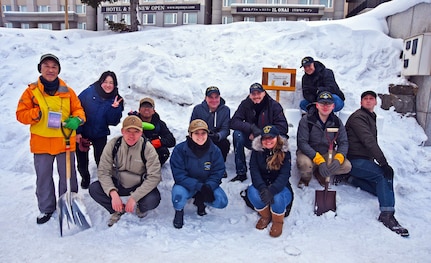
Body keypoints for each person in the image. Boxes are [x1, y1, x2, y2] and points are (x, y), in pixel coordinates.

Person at [16, 53, 86, 224]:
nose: (50, 70)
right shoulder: (31, 92)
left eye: (54, 67)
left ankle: (69, 205)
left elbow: (79, 110)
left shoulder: (68, 91)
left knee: (68, 178)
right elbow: (20, 114)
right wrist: (36, 114)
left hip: (65, 142)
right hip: (42, 143)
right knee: (44, 178)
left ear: (58, 70)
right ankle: (46, 209)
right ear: (40, 68)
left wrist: (77, 119)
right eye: (46, 66)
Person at [344, 91, 409, 237]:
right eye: (365, 99)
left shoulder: (369, 116)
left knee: (380, 190)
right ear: (361, 102)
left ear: (375, 102)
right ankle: (386, 214)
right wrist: (383, 163)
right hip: (354, 160)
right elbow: (369, 141)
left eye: (371, 99)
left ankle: (350, 179)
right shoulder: (359, 117)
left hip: (363, 160)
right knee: (383, 176)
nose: (368, 101)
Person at [88, 115, 161, 227]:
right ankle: (117, 210)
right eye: (128, 131)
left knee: (153, 199)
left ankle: (140, 208)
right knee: (94, 189)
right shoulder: (113, 144)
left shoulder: (147, 148)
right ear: (122, 131)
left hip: (138, 184)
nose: (131, 135)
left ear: (141, 132)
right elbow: (103, 171)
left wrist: (134, 198)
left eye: (136, 131)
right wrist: (112, 192)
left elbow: (154, 177)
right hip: (118, 183)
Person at [170, 119, 228, 229]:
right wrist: (199, 186)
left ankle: (201, 201)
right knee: (178, 196)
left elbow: (218, 171)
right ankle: (179, 211)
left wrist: (208, 187)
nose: (200, 136)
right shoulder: (180, 150)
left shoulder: (215, 150)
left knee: (222, 201)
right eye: (196, 133)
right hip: (186, 184)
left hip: (206, 183)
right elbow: (179, 175)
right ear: (190, 134)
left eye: (203, 133)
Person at [230, 83, 288, 182]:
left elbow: (283, 127)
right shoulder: (245, 104)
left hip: (269, 140)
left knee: (281, 138)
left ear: (264, 93)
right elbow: (233, 122)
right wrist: (251, 128)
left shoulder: (274, 105)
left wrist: (262, 134)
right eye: (253, 94)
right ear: (250, 95)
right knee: (237, 134)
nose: (256, 96)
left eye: (259, 93)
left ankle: (273, 170)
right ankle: (241, 172)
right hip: (251, 139)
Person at [76, 71, 124, 189]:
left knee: (101, 159)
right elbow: (76, 109)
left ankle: (103, 179)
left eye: (111, 83)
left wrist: (114, 109)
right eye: (105, 82)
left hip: (100, 133)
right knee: (82, 160)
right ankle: (85, 177)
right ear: (100, 82)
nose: (108, 85)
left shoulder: (117, 99)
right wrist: (78, 132)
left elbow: (113, 122)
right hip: (83, 131)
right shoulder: (89, 92)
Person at [296, 91, 351, 188]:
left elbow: (343, 142)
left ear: (333, 106)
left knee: (346, 166)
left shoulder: (337, 122)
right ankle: (305, 179)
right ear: (317, 105)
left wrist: (339, 158)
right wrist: (319, 160)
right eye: (322, 104)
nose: (325, 107)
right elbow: (302, 143)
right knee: (305, 165)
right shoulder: (307, 120)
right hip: (308, 153)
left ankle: (321, 173)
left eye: (328, 104)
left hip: (327, 152)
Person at [247, 125, 293, 237]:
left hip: (281, 188)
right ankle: (266, 216)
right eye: (265, 138)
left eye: (271, 138)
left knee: (277, 198)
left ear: (277, 138)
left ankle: (278, 221)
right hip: (262, 185)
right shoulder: (256, 152)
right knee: (252, 192)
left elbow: (284, 175)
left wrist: (272, 190)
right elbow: (254, 172)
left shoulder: (285, 152)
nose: (268, 141)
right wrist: (262, 188)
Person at [191, 86, 230, 174]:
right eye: (211, 97)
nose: (214, 100)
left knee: (225, 144)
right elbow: (192, 126)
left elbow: (226, 128)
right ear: (206, 98)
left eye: (216, 97)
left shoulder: (225, 110)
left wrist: (218, 136)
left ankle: (219, 166)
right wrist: (203, 134)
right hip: (201, 135)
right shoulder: (198, 109)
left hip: (217, 137)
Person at [129, 97, 176, 166]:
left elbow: (171, 140)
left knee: (163, 152)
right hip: (135, 149)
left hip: (152, 150)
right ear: (139, 110)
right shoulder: (132, 122)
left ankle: (153, 170)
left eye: (149, 106)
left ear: (154, 111)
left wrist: (159, 142)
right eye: (144, 106)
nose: (146, 108)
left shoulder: (159, 124)